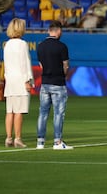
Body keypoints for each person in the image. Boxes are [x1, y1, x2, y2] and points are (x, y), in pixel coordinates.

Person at [36, 20, 73, 150]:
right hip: (58, 83)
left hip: (45, 83)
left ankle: (40, 142)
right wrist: (63, 75)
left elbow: (41, 65)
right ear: (58, 31)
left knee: (43, 113)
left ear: (48, 31)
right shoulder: (62, 46)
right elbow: (65, 65)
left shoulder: (40, 46)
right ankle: (57, 142)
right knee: (58, 113)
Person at [3, 18, 34, 148]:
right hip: (20, 80)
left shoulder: (7, 44)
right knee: (19, 111)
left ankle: (9, 138)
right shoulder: (22, 44)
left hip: (10, 80)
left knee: (10, 111)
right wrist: (28, 80)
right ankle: (18, 138)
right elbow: (25, 63)